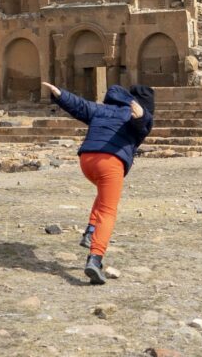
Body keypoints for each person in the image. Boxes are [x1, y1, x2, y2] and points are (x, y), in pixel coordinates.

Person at [42, 81, 154, 285]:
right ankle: (95, 258)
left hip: (87, 161)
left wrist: (60, 94)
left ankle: (90, 232)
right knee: (108, 211)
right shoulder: (135, 112)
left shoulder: (101, 110)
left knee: (103, 196)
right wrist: (143, 116)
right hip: (110, 162)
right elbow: (142, 125)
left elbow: (80, 106)